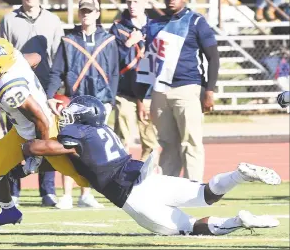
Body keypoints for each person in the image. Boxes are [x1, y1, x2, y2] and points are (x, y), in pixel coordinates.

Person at [20, 95, 281, 236]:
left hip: (131, 194)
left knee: (188, 228)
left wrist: (26, 143)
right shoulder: (103, 131)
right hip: (144, 175)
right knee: (205, 194)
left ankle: (238, 220)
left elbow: (37, 148)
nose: (66, 115)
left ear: (81, 117)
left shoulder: (79, 135)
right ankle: (238, 175)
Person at [0, 37, 88, 229]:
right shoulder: (14, 59)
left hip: (45, 129)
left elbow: (40, 119)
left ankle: (123, 184)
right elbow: (36, 57)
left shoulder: (10, 88)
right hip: (22, 131)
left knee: (83, 177)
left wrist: (39, 152)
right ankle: (9, 211)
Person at [46, 0, 119, 209]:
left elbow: (114, 73)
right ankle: (67, 194)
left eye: (90, 11)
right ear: (79, 14)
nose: (86, 14)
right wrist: (50, 95)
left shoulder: (108, 40)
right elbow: (57, 71)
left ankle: (86, 194)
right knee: (68, 146)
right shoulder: (68, 41)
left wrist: (110, 100)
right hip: (73, 101)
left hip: (98, 103)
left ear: (97, 13)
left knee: (91, 150)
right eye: (83, 11)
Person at [0, 0, 65, 207]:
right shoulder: (8, 20)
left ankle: (47, 192)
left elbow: (59, 58)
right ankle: (14, 191)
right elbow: (1, 57)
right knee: (16, 140)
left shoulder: (53, 21)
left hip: (44, 89)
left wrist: (55, 91)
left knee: (46, 138)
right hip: (15, 90)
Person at [147, 0, 220, 182]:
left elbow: (213, 57)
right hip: (160, 90)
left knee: (191, 141)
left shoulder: (196, 21)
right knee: (168, 143)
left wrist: (209, 90)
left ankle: (193, 188)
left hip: (188, 87)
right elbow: (149, 61)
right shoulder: (156, 23)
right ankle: (168, 189)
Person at [110, 0, 160, 162]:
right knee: (122, 140)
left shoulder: (156, 27)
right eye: (129, 2)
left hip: (149, 94)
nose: (132, 6)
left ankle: (147, 180)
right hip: (126, 93)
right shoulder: (118, 28)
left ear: (145, 2)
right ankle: (121, 181)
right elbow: (112, 61)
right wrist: (129, 44)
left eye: (136, 2)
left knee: (150, 142)